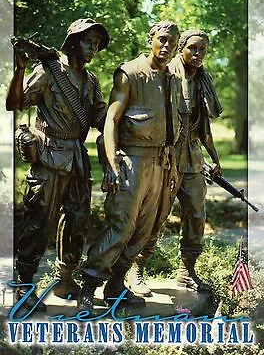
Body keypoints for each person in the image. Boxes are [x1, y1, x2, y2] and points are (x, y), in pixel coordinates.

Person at [6, 18, 109, 311]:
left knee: (78, 222)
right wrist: (20, 69)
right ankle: (24, 287)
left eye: (97, 44)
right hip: (50, 156)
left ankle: (65, 279)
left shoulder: (91, 81)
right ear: (73, 41)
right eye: (89, 41)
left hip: (77, 157)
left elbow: (101, 118)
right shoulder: (49, 71)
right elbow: (15, 104)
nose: (93, 48)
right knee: (39, 223)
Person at [78, 20, 181, 312]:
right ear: (151, 39)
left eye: (172, 43)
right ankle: (89, 283)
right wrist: (111, 162)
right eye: (162, 39)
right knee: (120, 227)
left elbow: (173, 123)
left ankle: (115, 285)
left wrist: (171, 165)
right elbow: (111, 120)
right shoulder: (130, 72)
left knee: (145, 230)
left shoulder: (172, 77)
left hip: (161, 162)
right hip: (132, 160)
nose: (166, 46)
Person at [128, 29, 222, 296]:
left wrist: (215, 158)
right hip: (167, 153)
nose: (197, 54)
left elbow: (202, 127)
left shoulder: (203, 80)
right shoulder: (168, 75)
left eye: (202, 49)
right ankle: (136, 269)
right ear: (181, 48)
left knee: (196, 213)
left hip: (193, 155)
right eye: (192, 48)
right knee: (156, 214)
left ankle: (186, 271)